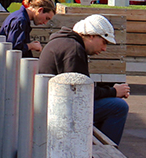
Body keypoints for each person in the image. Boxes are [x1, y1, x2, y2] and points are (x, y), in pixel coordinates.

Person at [37, 14, 130, 145]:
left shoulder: (63, 42)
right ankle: (106, 154)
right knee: (119, 107)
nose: (104, 48)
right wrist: (114, 92)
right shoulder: (74, 49)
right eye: (104, 42)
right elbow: (82, 93)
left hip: (51, 103)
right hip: (59, 109)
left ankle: (90, 145)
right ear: (92, 35)